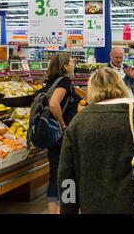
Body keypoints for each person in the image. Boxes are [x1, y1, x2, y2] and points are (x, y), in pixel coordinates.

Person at [58, 67, 134, 213]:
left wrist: (68, 209)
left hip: (93, 205)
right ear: (120, 85)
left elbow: (66, 173)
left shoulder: (78, 121)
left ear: (91, 89)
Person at [44, 53, 81, 214]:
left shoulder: (49, 82)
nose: (73, 64)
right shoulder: (65, 81)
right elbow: (53, 104)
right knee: (67, 175)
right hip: (63, 136)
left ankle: (54, 211)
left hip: (53, 136)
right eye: (71, 62)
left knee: (55, 175)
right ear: (64, 66)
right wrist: (63, 124)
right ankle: (65, 210)